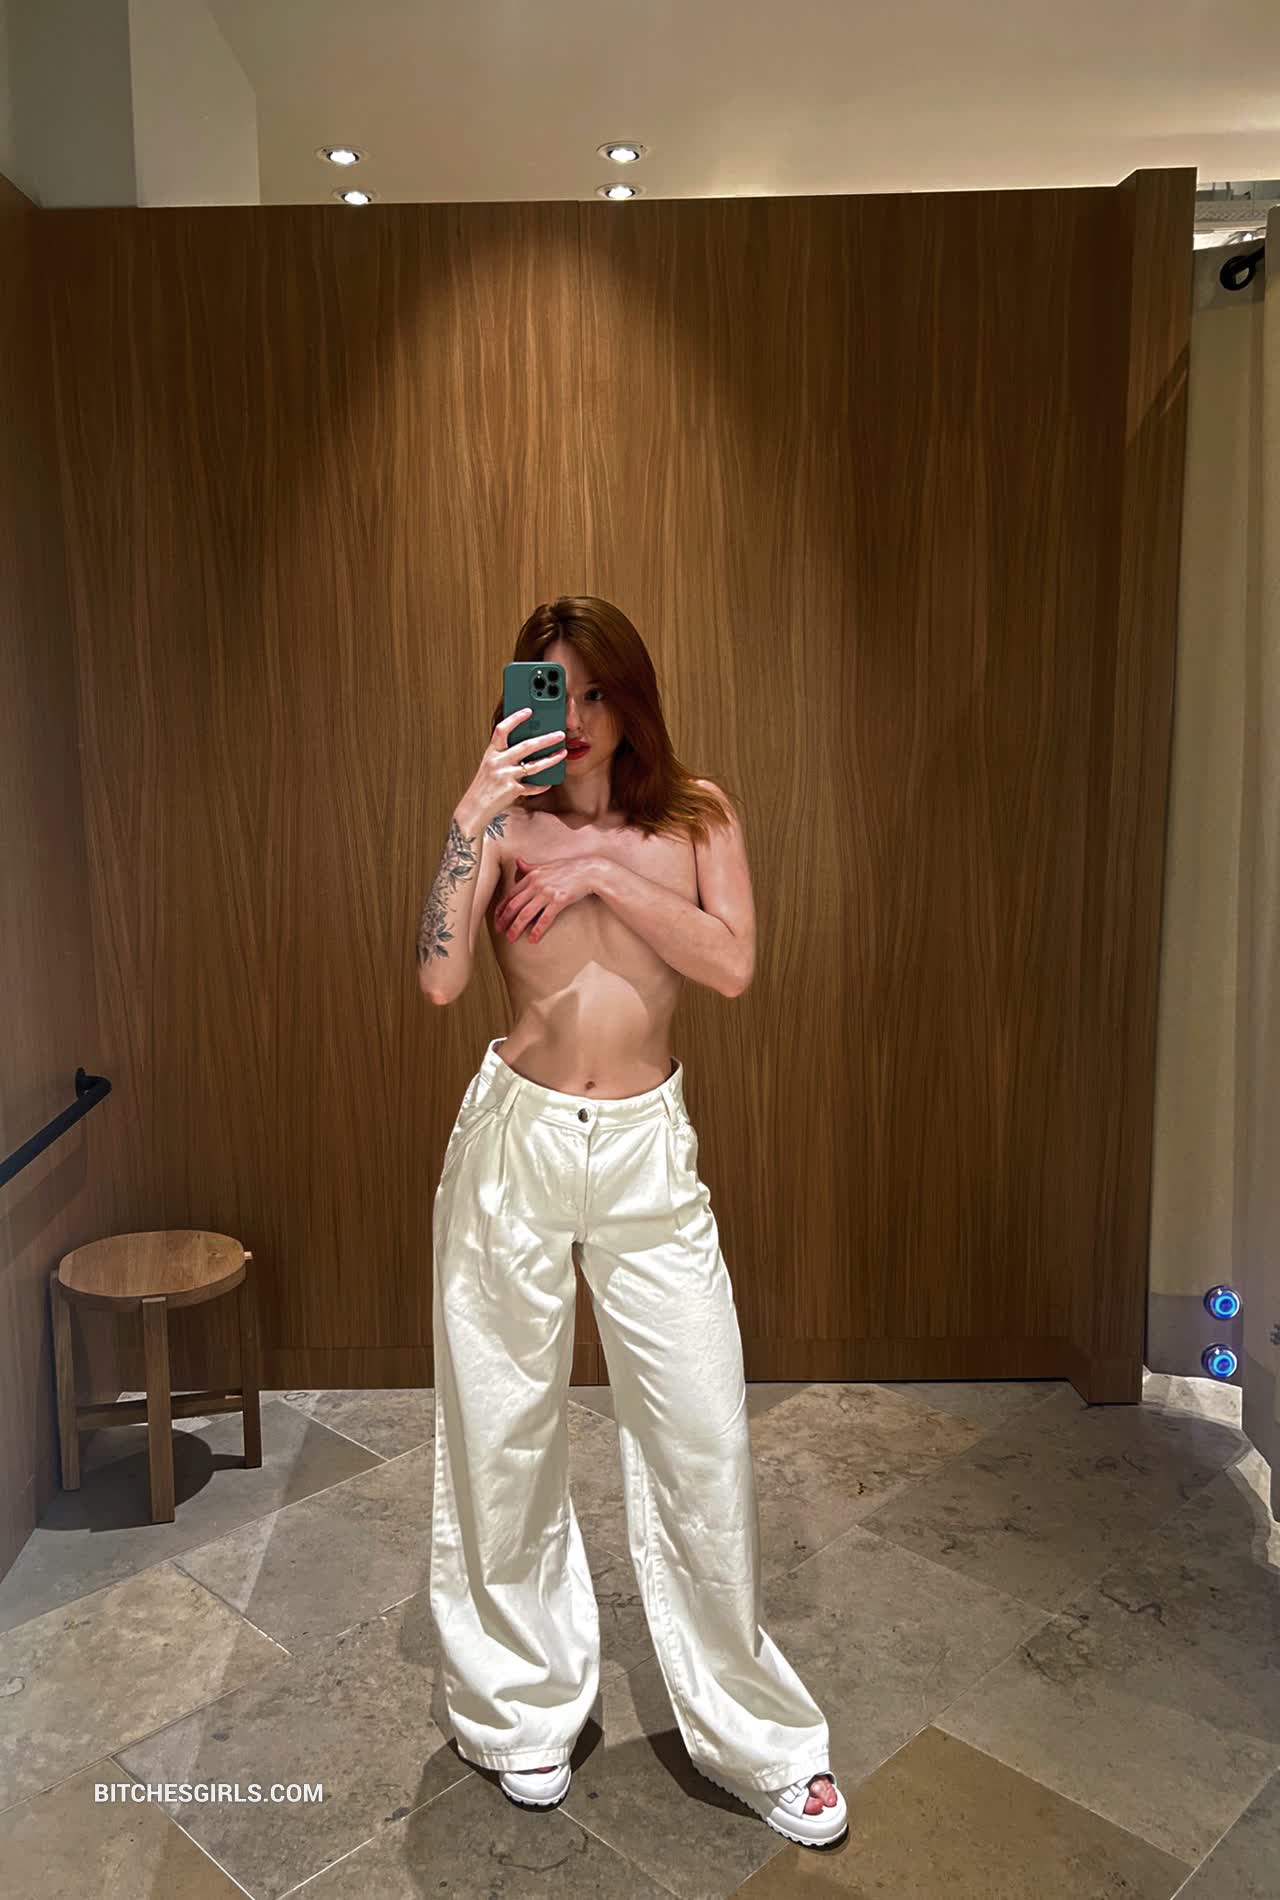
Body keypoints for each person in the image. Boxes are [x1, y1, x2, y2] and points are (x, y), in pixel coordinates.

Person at [416, 596, 847, 1849]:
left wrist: (600, 869)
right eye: (554, 691)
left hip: (648, 1150)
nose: (579, 719)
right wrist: (471, 814)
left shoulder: (695, 817)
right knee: (501, 1430)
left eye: (597, 691)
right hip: (517, 1140)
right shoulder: (502, 821)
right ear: (522, 697)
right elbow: (439, 976)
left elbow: (730, 964)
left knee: (701, 1437)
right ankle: (518, 1707)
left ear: (630, 697)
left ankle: (757, 1734)